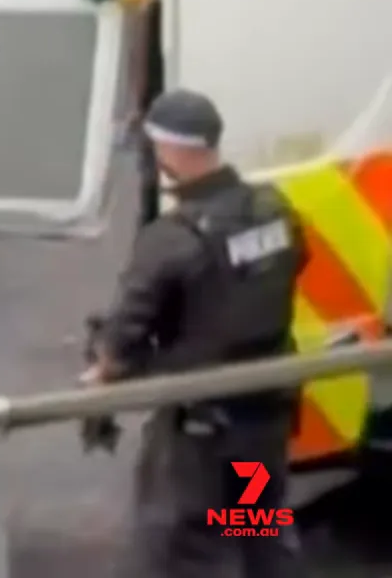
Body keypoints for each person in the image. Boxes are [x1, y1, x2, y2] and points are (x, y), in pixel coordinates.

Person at [81, 89, 307, 578]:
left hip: (201, 431)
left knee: (181, 550)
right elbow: (294, 265)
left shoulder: (173, 237)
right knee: (255, 532)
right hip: (263, 418)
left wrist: (104, 372)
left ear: (169, 150)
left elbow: (124, 336)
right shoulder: (274, 208)